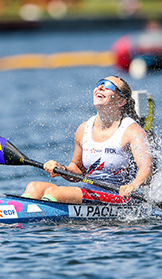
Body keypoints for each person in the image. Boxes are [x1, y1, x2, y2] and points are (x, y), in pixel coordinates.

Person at [22, 75, 154, 204]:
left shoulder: (132, 131)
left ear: (121, 101)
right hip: (90, 192)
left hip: (118, 195)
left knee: (55, 193)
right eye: (99, 83)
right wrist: (61, 169)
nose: (101, 87)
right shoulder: (83, 129)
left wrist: (133, 185)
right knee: (34, 187)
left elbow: (146, 168)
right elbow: (78, 169)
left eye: (108, 86)